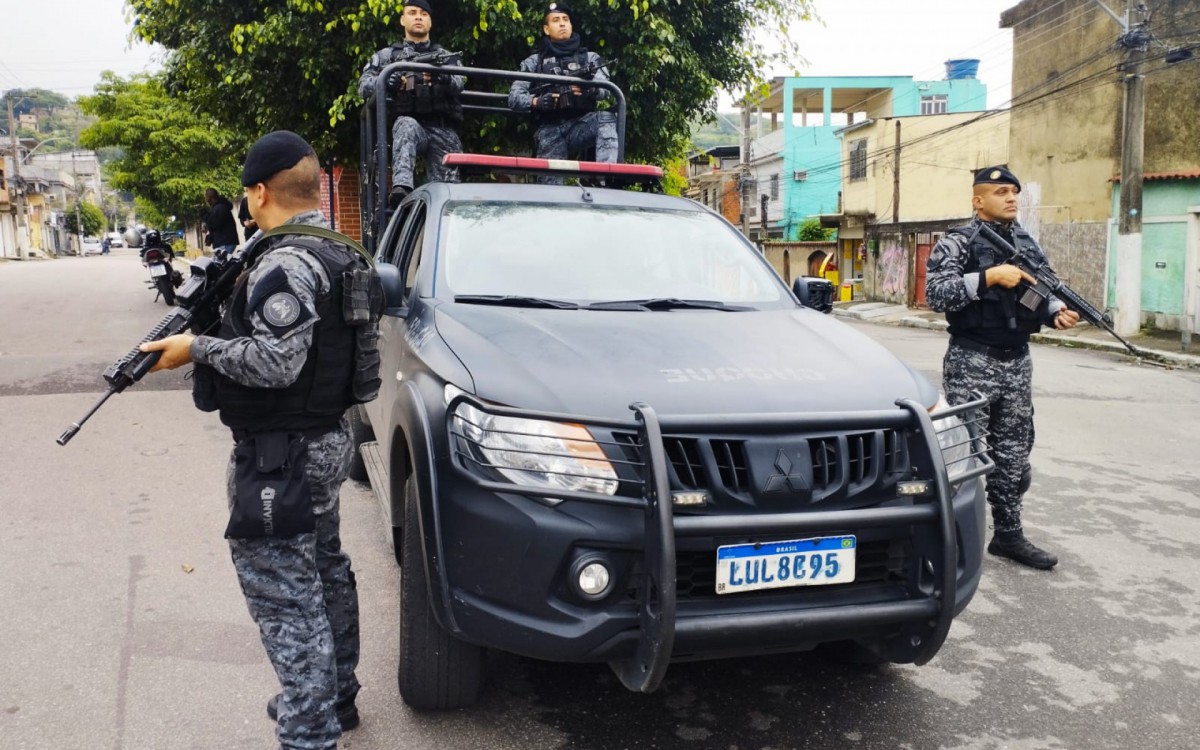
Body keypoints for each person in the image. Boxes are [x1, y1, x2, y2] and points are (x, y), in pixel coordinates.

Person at [140, 130, 380, 748]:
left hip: (283, 454)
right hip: (323, 439)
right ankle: (336, 697)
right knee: (324, 569)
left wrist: (196, 348)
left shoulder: (285, 263)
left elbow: (278, 363)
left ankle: (308, 731)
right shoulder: (339, 251)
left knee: (284, 593)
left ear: (258, 192)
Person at [925, 165, 1080, 570]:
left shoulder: (1028, 244)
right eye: (1000, 192)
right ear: (978, 200)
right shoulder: (957, 241)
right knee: (962, 454)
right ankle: (948, 539)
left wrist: (1054, 312)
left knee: (1013, 455)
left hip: (1017, 362)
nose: (1011, 198)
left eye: (1014, 191)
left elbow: (1037, 293)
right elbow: (937, 295)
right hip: (971, 358)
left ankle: (1008, 537)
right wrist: (990, 276)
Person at [357, 0, 463, 208]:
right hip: (411, 124)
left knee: (450, 196)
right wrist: (386, 81)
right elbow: (363, 86)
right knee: (405, 124)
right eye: (412, 12)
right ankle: (402, 190)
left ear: (430, 22)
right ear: (402, 19)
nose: (418, 17)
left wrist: (441, 76)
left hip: (441, 127)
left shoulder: (444, 56)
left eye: (423, 14)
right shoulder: (389, 56)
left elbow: (460, 82)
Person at [508, 2, 618, 184]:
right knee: (550, 190)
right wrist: (537, 102)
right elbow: (514, 97)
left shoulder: (589, 58)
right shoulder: (534, 62)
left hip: (580, 125)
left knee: (606, 118)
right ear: (546, 28)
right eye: (556, 20)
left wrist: (588, 88)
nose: (562, 24)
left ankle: (605, 179)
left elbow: (606, 89)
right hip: (550, 130)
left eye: (566, 19)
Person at [203, 187, 240, 256]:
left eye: (206, 197)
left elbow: (215, 224)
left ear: (210, 197)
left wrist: (205, 217)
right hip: (224, 242)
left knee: (220, 264)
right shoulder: (217, 207)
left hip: (225, 242)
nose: (206, 200)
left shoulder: (220, 208)